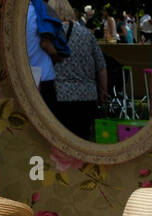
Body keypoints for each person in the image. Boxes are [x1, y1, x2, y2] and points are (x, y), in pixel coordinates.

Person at [48, 0, 108, 141]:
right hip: (88, 96)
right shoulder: (86, 33)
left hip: (60, 94)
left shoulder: (49, 35)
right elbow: (101, 66)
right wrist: (103, 91)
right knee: (83, 140)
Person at [26, 0, 62, 108]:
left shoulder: (8, 18)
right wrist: (56, 56)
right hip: (44, 78)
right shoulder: (41, 11)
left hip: (20, 78)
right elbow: (48, 46)